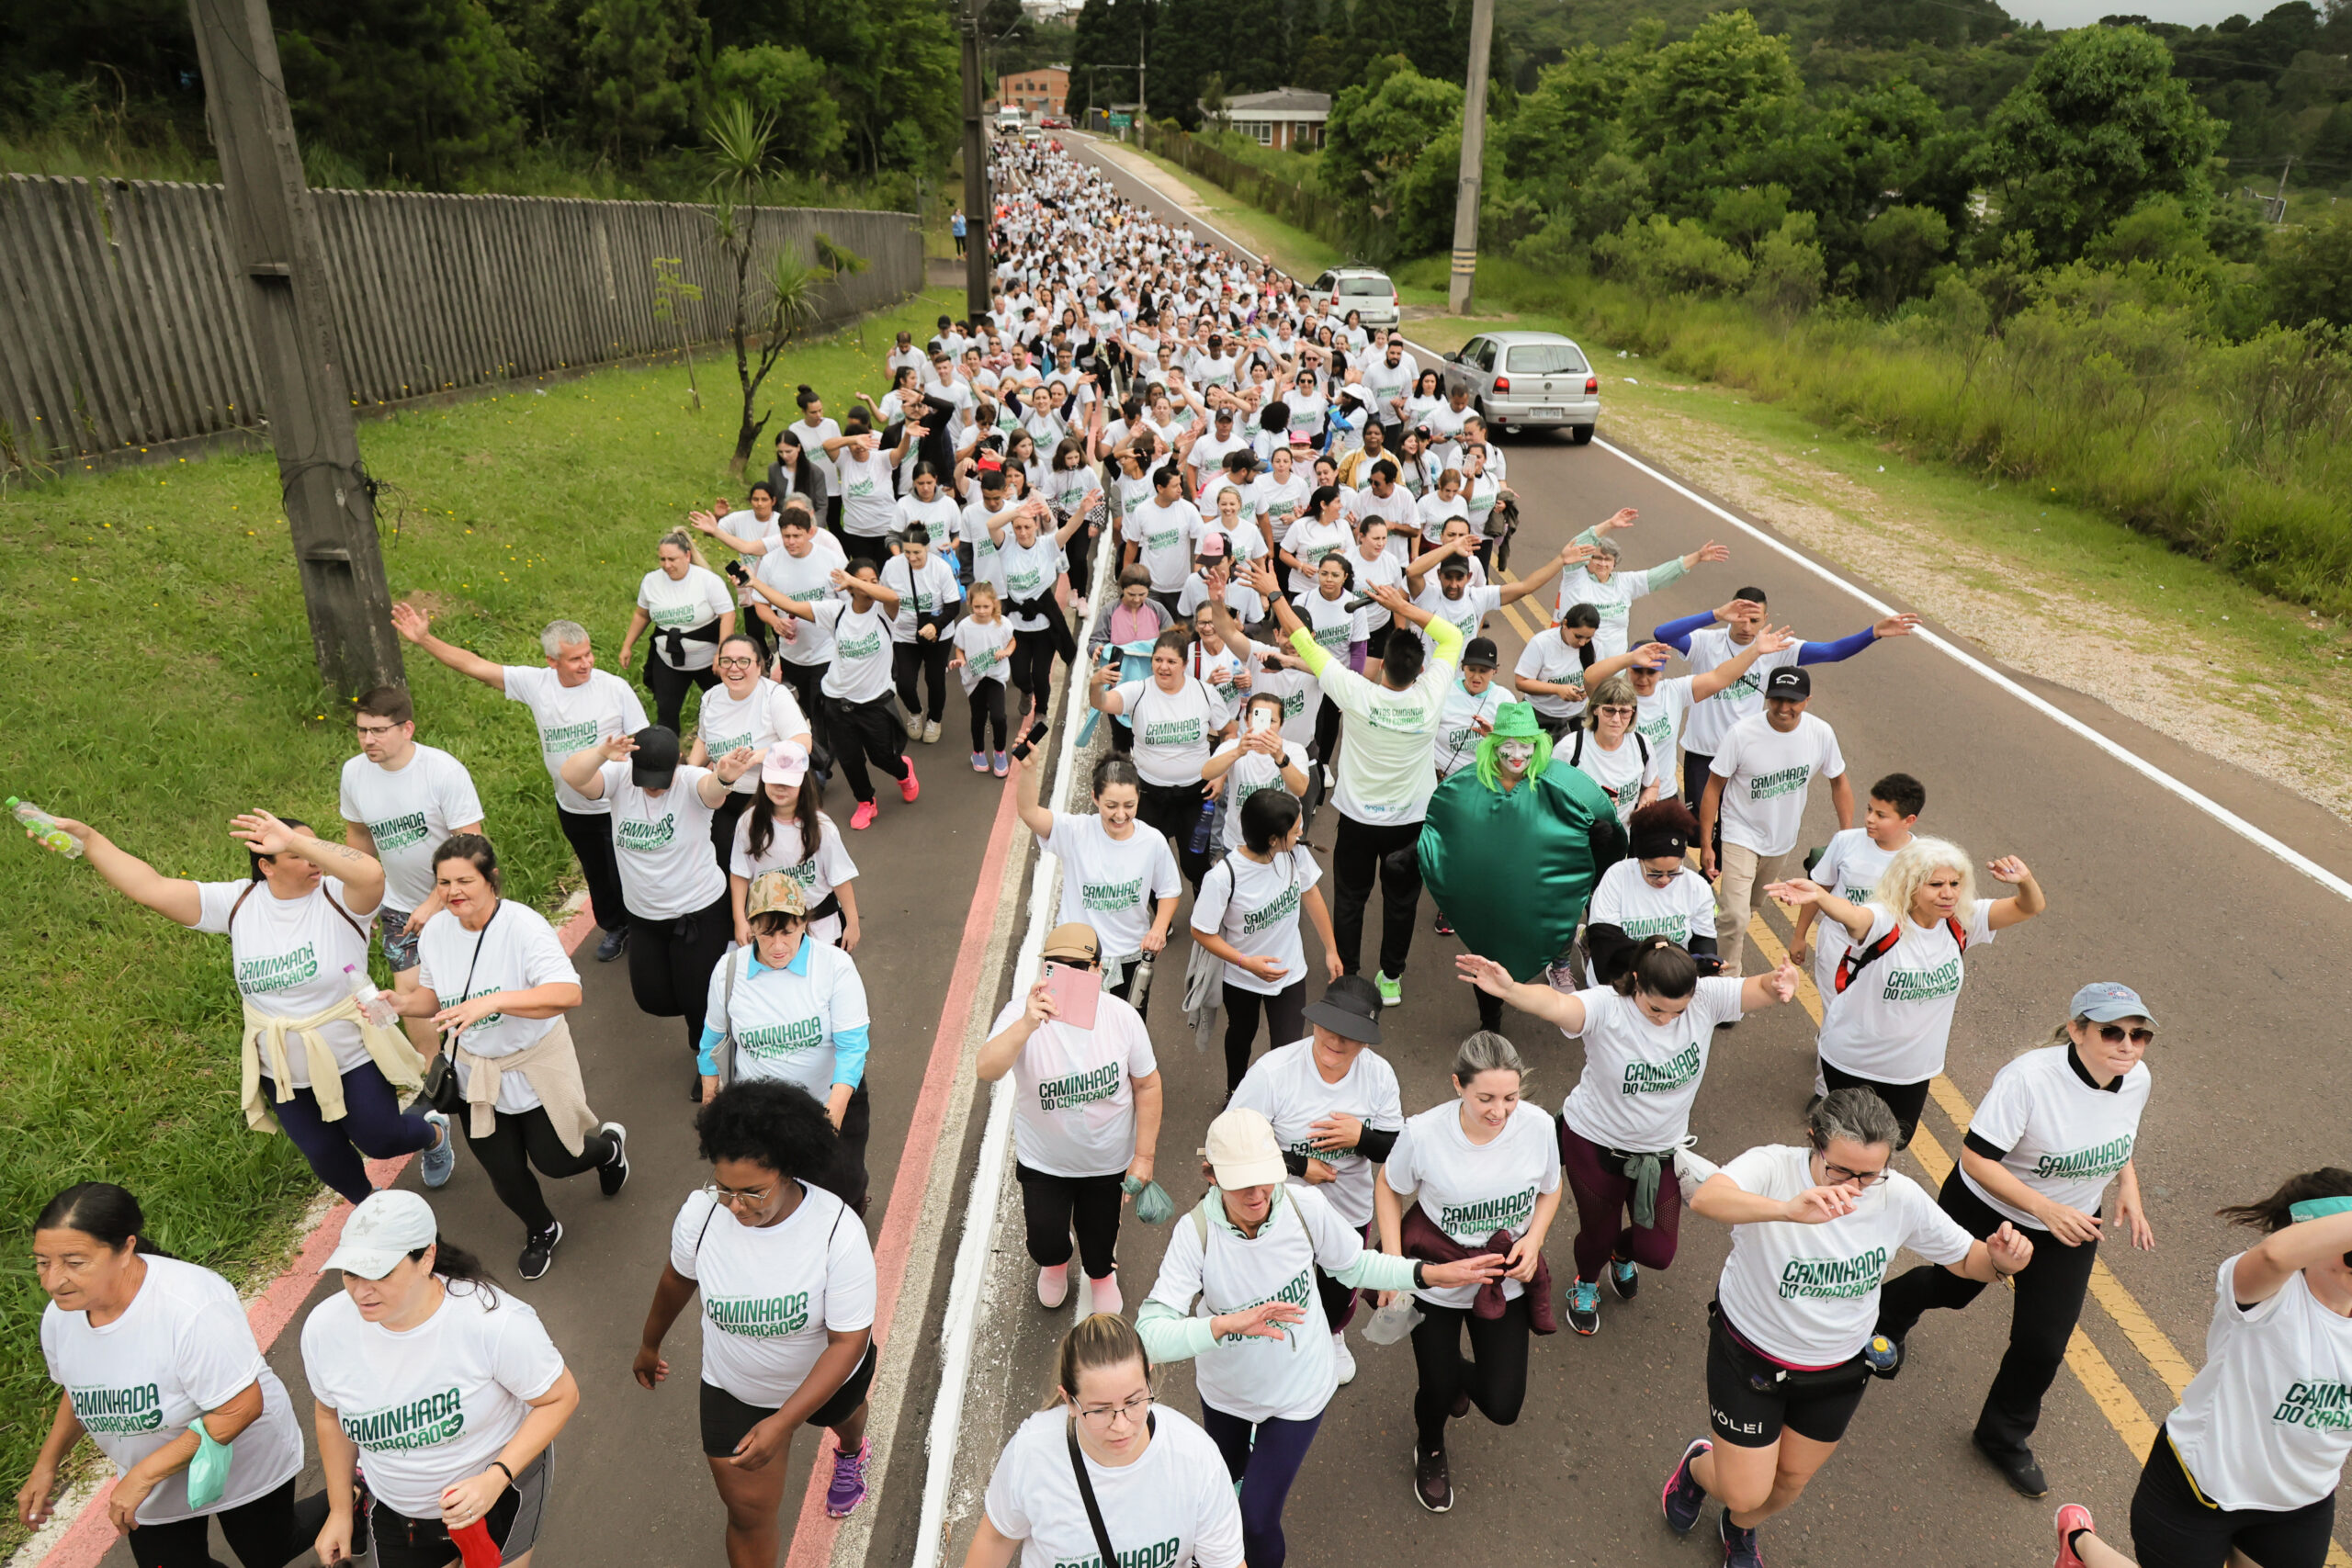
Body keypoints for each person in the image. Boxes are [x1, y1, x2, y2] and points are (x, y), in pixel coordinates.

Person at [1660, 1089, 2032, 1568]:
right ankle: (1698, 1470)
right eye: (1840, 1171)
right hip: (1752, 1357)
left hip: (1837, 1367)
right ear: (1813, 1141)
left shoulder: (1897, 1196)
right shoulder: (1773, 1168)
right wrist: (1788, 1210)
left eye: (1870, 1174)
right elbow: (1708, 1198)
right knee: (1745, 1489)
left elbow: (1966, 1259)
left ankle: (1740, 1526)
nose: (1856, 1187)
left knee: (1789, 1481)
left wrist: (2001, 1261)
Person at [1136, 1110, 1495, 1568]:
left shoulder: (1304, 1207)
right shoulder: (1196, 1234)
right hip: (1227, 1394)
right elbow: (1150, 1335)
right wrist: (1224, 1325)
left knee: (1255, 1520)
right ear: (1211, 1176)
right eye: (1242, 1183)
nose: (1258, 1194)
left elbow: (1355, 1265)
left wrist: (1429, 1274)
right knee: (1221, 1498)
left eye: (1266, 1177)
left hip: (1299, 1391)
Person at [50, 809, 446, 1203]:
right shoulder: (239, 902)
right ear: (266, 866)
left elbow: (372, 874)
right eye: (295, 855)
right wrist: (90, 839)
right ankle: (370, 1206)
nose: (313, 861)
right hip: (280, 1066)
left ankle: (433, 1134)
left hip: (352, 1055)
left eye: (315, 850)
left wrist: (294, 842)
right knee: (326, 1156)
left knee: (381, 1139)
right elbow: (150, 887)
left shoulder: (340, 897)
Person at [1872, 983, 2157, 1495]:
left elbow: (2118, 1132)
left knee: (2043, 1342)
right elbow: (1976, 1159)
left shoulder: (2136, 1079)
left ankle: (2002, 1435)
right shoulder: (2029, 1079)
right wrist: (2043, 1208)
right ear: (2076, 1031)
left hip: (2068, 1227)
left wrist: (2127, 1184)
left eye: (2139, 1035)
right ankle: (1887, 1314)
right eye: (2112, 1032)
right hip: (1990, 1208)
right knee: (1953, 1290)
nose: (2127, 1045)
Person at [1458, 939, 1801, 1335]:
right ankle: (1586, 1283)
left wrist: (1778, 983)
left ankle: (1622, 1255)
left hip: (1661, 1153)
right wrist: (1510, 989)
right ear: (1636, 981)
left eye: (1679, 1011)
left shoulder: (1705, 998)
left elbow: (1758, 988)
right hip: (1594, 1144)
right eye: (1656, 1009)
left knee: (1658, 1251)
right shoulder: (1607, 1007)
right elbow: (1556, 1005)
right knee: (1597, 1234)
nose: (1667, 1020)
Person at [2051, 1168, 2352, 1568]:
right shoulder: (2268, 1294)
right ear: (2308, 1239)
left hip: (2298, 1505)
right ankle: (2079, 1545)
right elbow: (2274, 1255)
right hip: (2201, 1491)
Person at [635, 1080, 879, 1555]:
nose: (735, 1205)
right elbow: (677, 1279)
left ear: (788, 1171)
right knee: (747, 1516)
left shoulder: (837, 1233)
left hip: (824, 1381)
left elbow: (848, 1342)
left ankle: (852, 1450)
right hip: (734, 1390)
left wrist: (784, 1422)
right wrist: (649, 1343)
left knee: (846, 1418)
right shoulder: (701, 1215)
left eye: (752, 1192)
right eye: (724, 1188)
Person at [24, 1184, 313, 1568]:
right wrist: (46, 1465)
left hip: (240, 1462)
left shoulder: (191, 1305)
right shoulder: (62, 1315)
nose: (52, 1281)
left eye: (75, 1262)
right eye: (43, 1262)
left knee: (269, 1552)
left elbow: (240, 1409)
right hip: (156, 1480)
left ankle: (355, 1502)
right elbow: (79, 1389)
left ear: (125, 1249)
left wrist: (142, 1476)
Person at [1218, 567, 1462, 1009]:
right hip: (1410, 823)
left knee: (1351, 899)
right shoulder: (1431, 694)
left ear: (1381, 666)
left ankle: (1347, 973)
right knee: (1401, 902)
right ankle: (1391, 977)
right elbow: (1452, 636)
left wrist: (1275, 593)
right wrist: (1401, 607)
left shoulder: (1355, 692)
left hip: (1357, 820)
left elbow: (1304, 642)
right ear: (1422, 670)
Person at [302, 1190, 578, 1568]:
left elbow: (561, 1397)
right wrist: (339, 1510)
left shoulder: (495, 1323)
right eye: (350, 1272)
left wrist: (494, 1479)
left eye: (380, 1273)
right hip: (398, 1515)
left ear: (427, 1257)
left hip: (499, 1497)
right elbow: (329, 1414)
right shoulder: (325, 1329)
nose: (361, 1291)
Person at [401, 834, 627, 1280]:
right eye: (443, 883)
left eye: (465, 880)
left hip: (534, 1063)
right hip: (476, 1071)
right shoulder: (437, 933)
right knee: (503, 1171)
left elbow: (568, 993)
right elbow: (435, 996)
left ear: (491, 879)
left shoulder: (523, 927)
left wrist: (495, 1001)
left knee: (557, 1160)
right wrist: (402, 1004)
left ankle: (609, 1150)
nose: (453, 891)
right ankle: (542, 1228)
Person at [392, 605, 646, 963]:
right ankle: (615, 927)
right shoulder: (536, 684)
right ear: (552, 661)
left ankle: (647, 930)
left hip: (617, 803)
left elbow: (643, 738)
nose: (586, 663)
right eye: (575, 659)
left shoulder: (614, 688)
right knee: (597, 873)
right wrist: (425, 639)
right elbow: (475, 666)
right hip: (573, 807)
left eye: (588, 654)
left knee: (628, 873)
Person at [1377, 1031, 1563, 1513]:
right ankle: (1431, 1447)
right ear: (1458, 1085)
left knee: (1503, 1405)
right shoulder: (1423, 1133)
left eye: (1510, 1097)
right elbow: (1389, 1186)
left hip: (1504, 1278)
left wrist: (1534, 1239)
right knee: (1435, 1390)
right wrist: (1393, 1266)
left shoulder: (1539, 1126)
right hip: (1439, 1275)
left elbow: (1551, 1189)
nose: (1499, 1111)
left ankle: (1451, 1375)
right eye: (1486, 1099)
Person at [1767, 838, 2046, 1144]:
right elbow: (1853, 916)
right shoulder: (1885, 920)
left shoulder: (1962, 921)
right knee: (1845, 1148)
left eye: (1955, 883)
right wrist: (1820, 896)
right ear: (1909, 885)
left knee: (1894, 1144)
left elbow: (2029, 906)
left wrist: (2025, 880)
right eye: (1936, 884)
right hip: (1854, 1061)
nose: (1948, 893)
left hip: (1912, 1071)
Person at [559, 727, 758, 1100]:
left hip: (698, 911)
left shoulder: (690, 781)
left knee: (698, 999)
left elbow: (712, 792)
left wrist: (724, 778)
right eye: (646, 780)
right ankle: (720, 1018)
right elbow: (572, 776)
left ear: (676, 766)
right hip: (645, 916)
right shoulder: (620, 778)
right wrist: (601, 753)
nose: (652, 787)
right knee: (652, 997)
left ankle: (711, 1061)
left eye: (659, 780)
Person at [1227, 974, 1407, 1382]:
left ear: (1366, 1042)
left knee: (1339, 1288)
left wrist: (1361, 1137)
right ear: (1315, 1021)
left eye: (1351, 1034)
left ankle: (1332, 1334)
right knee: (1278, 1285)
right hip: (1278, 1209)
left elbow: (1395, 1150)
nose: (1336, 1041)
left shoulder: (1379, 1076)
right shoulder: (1274, 1072)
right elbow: (1231, 1141)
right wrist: (1297, 1165)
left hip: (1348, 1209)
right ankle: (1277, 1344)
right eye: (1330, 1026)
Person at [979, 924, 1164, 1314]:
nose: (1066, 975)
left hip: (1106, 1163)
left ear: (1098, 969)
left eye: (1078, 966)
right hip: (1044, 1162)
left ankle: (1101, 1275)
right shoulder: (1019, 1014)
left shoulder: (1122, 1017)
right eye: (1055, 966)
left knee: (1100, 1237)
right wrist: (1026, 1024)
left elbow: (1147, 1085)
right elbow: (986, 1069)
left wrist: (1144, 1157)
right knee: (1044, 1241)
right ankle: (1056, 1263)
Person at [961, 1315, 1243, 1568]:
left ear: (1148, 1377)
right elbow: (996, 1539)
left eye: (1133, 1402)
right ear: (1069, 1401)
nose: (1121, 1426)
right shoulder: (1032, 1454)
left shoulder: (1195, 1458)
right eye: (1099, 1410)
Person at [1417, 705, 1623, 1032]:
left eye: (1525, 745)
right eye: (1508, 746)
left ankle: (1558, 967)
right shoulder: (1468, 786)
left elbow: (1587, 834)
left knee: (1557, 931)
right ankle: (1490, 1022)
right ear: (1493, 745)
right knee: (1488, 959)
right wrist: (1412, 855)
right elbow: (1446, 829)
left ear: (1538, 746)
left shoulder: (1558, 790)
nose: (1516, 755)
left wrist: (1595, 838)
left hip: (1542, 895)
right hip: (1489, 900)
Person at [1656, 591, 1919, 825]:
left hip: (1747, 754)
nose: (1746, 626)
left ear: (1766, 618)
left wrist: (1873, 633)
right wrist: (1715, 614)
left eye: (1754, 620)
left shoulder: (1777, 646)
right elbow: (1663, 634)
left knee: (1734, 826)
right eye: (1739, 618)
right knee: (1697, 828)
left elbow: (1832, 652)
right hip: (1704, 753)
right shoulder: (1705, 642)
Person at [699, 873, 875, 1210]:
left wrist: (831, 1120)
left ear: (803, 922)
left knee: (840, 1193)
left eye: (788, 932)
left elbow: (852, 1048)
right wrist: (711, 1104)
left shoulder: (835, 966)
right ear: (751, 926)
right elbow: (712, 1040)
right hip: (760, 1112)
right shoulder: (727, 971)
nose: (778, 946)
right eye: (767, 933)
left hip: (827, 1101)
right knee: (770, 1198)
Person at [340, 684, 486, 1058]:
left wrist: (435, 902)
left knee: (473, 986)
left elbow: (472, 848)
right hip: (398, 906)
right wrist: (361, 900)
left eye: (378, 730)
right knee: (407, 992)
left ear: (407, 729)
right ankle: (431, 1071)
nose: (368, 740)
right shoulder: (354, 773)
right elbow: (359, 836)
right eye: (362, 730)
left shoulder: (442, 771)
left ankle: (483, 1059)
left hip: (462, 900)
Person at [1700, 667, 1851, 979]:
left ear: (1807, 700)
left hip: (1781, 839)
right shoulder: (1742, 734)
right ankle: (1726, 983)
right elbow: (1713, 787)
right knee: (1736, 916)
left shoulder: (1820, 733)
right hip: (1740, 833)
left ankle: (1717, 933)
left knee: (1748, 908)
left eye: (1792, 701)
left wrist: (1847, 837)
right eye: (1777, 699)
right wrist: (1706, 844)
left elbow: (1839, 782)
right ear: (1767, 697)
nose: (1783, 708)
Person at [747, 560, 920, 830]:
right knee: (850, 760)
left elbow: (893, 597)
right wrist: (755, 582)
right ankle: (866, 801)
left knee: (883, 757)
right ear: (848, 588)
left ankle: (904, 771)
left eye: (874, 581)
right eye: (863, 581)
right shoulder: (836, 612)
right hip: (837, 702)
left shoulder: (884, 612)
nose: (870, 587)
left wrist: (856, 581)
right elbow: (790, 605)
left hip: (875, 703)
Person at [1190, 791, 1342, 1093]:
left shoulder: (1294, 853)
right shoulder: (1223, 877)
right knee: (1241, 1035)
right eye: (1295, 830)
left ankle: (1277, 1103)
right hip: (1241, 978)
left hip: (1289, 973)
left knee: (1287, 1048)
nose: (1301, 833)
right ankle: (1235, 1092)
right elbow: (1201, 931)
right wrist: (1246, 963)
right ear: (1273, 839)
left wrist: (1331, 949)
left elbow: (1311, 893)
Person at [1091, 626, 1229, 888]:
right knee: (1150, 864)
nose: (1163, 667)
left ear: (1184, 664)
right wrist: (1096, 683)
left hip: (1195, 795)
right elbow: (1102, 702)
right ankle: (1158, 911)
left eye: (1171, 662)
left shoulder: (1204, 692)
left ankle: (1203, 907)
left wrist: (1221, 774)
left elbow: (1229, 732)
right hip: (1150, 795)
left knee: (1195, 864)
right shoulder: (1138, 691)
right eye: (1158, 660)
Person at [1786, 772, 1924, 998]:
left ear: (1908, 820)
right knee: (1835, 1010)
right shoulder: (1845, 842)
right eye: (1869, 809)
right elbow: (1819, 889)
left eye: (1881, 815)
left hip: (1888, 951)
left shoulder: (1922, 858)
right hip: (1837, 944)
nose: (1869, 819)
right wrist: (1799, 936)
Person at [688, 632, 814, 868]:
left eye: (743, 661)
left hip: (769, 795)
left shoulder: (774, 695)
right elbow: (703, 740)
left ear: (758, 666)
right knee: (726, 860)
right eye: (726, 661)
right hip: (725, 795)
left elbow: (803, 743)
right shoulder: (711, 698)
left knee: (773, 863)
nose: (734, 668)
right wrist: (687, 773)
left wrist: (753, 758)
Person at [729, 741, 860, 950]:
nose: (780, 788)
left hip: (818, 924)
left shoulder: (823, 828)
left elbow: (840, 878)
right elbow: (739, 873)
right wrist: (739, 919)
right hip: (769, 928)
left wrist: (852, 924)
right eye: (774, 781)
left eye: (788, 782)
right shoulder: (749, 823)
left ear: (803, 782)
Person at [1551, 508, 1730, 655]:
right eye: (1597, 558)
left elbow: (1659, 576)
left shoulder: (1625, 582)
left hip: (1612, 673)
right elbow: (1574, 547)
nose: (1602, 563)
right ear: (1586, 559)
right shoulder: (1575, 575)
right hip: (1571, 668)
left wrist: (1697, 557)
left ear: (1615, 563)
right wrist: (1609, 524)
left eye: (1607, 560)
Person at [1581, 799, 1720, 985]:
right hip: (1620, 978)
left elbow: (1703, 938)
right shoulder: (1616, 878)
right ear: (1639, 859)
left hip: (1671, 983)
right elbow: (1607, 945)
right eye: (1654, 873)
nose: (1664, 879)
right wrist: (1672, 963)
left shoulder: (1697, 887)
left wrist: (1706, 961)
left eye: (1674, 872)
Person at [618, 528, 736, 733]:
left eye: (672, 559)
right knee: (666, 712)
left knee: (725, 707)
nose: (667, 565)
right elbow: (642, 615)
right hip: (668, 659)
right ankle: (669, 750)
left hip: (708, 661)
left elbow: (728, 615)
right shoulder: (651, 581)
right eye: (662, 559)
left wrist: (722, 654)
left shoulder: (707, 580)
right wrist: (627, 646)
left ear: (687, 556)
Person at [882, 523, 962, 745]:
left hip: (937, 635)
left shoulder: (940, 568)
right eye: (907, 552)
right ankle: (915, 712)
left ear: (927, 547)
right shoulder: (892, 567)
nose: (912, 557)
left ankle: (935, 719)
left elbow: (953, 606)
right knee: (905, 683)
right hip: (904, 634)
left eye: (917, 552)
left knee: (935, 679)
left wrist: (936, 626)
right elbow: (883, 596)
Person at [1560, 671, 1664, 827]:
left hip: (1621, 838)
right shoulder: (1570, 749)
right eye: (1609, 710)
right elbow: (1550, 798)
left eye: (1624, 712)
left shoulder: (1642, 745)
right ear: (1595, 709)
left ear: (1633, 713)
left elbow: (1652, 785)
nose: (1616, 719)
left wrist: (1645, 803)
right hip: (1577, 836)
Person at [950, 581, 1017, 774]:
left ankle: (1000, 752)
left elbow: (1012, 641)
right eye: (977, 607)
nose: (981, 611)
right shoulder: (964, 626)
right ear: (970, 605)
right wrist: (961, 660)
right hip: (974, 679)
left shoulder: (1003, 624)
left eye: (986, 606)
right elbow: (960, 649)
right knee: (978, 717)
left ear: (994, 604)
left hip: (996, 677)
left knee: (998, 717)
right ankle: (978, 752)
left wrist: (1007, 651)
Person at [1433, 636, 1506, 789]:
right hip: (1441, 781)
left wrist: (1494, 738)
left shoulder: (1505, 700)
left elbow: (1515, 750)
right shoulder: (1443, 693)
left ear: (1495, 670)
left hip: (1481, 785)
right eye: (1472, 669)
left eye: (1484, 671)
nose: (1476, 677)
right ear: (1462, 667)